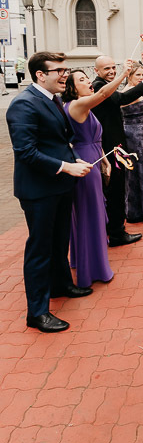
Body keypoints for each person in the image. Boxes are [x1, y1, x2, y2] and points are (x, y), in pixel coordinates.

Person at [6, 52, 92, 332]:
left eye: (66, 70)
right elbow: (26, 153)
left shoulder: (53, 99)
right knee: (40, 249)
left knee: (59, 241)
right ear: (40, 75)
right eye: (59, 70)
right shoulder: (23, 104)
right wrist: (66, 167)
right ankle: (37, 312)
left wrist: (73, 159)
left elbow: (57, 140)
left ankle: (61, 285)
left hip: (60, 185)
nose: (65, 75)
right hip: (39, 190)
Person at [62, 62, 134, 287]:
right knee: (90, 214)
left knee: (91, 211)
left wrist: (104, 159)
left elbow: (94, 137)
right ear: (73, 89)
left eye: (86, 78)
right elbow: (104, 92)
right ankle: (92, 269)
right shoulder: (78, 105)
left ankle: (84, 261)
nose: (88, 82)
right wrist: (124, 73)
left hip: (93, 156)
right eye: (82, 80)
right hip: (86, 162)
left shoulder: (82, 107)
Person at [92, 56, 143, 246]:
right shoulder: (99, 86)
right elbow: (122, 98)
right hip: (110, 144)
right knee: (115, 189)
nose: (111, 71)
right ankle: (116, 233)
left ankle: (116, 229)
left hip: (115, 142)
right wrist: (131, 77)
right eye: (107, 69)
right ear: (97, 71)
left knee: (118, 188)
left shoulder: (106, 84)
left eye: (114, 67)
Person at [121, 62, 143, 225]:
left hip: (142, 133)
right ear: (129, 76)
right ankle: (136, 211)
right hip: (132, 134)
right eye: (138, 75)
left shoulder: (138, 90)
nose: (141, 78)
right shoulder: (127, 92)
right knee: (136, 171)